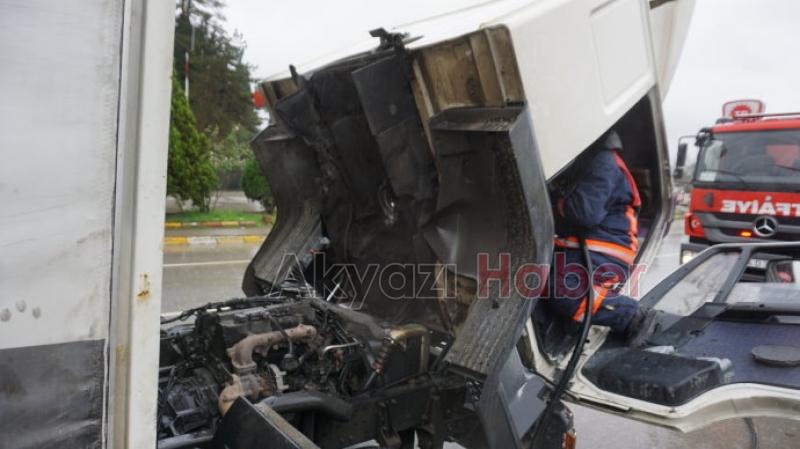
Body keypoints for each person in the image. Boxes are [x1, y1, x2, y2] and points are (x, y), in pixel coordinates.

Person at [547, 130, 655, 343]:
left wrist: (553, 199)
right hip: (584, 245)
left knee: (566, 294)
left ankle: (631, 317)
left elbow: (583, 213)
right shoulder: (594, 162)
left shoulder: (603, 162)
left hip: (605, 249)